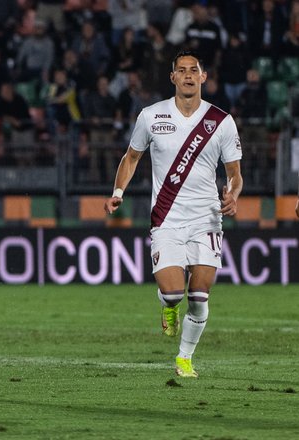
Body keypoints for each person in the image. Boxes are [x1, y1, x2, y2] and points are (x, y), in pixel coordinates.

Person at [104, 51, 243, 378]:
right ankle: (168, 309)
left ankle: (184, 358)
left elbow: (234, 172)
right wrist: (117, 192)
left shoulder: (221, 121)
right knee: (171, 292)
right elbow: (131, 157)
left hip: (207, 218)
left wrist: (233, 194)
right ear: (173, 78)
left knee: (199, 294)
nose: (188, 75)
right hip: (166, 217)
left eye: (194, 70)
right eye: (181, 70)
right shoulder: (151, 116)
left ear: (204, 77)